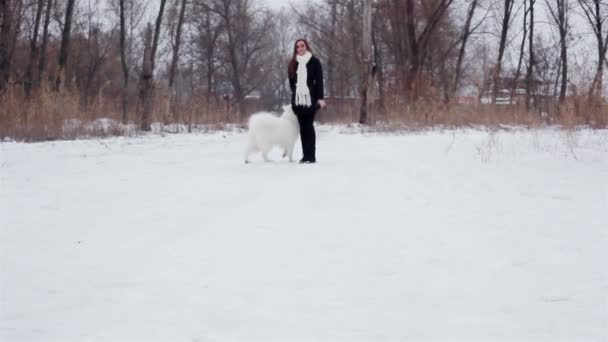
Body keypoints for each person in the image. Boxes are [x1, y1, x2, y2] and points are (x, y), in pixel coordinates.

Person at [288, 39, 325, 164]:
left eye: (302, 46)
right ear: (296, 49)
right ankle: (305, 156)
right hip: (298, 100)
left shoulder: (314, 61)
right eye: (298, 47)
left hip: (311, 99)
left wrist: (320, 98)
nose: (300, 48)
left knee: (309, 126)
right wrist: (297, 92)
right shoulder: (293, 63)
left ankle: (311, 156)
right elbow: (291, 83)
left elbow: (319, 81)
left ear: (307, 47)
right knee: (303, 128)